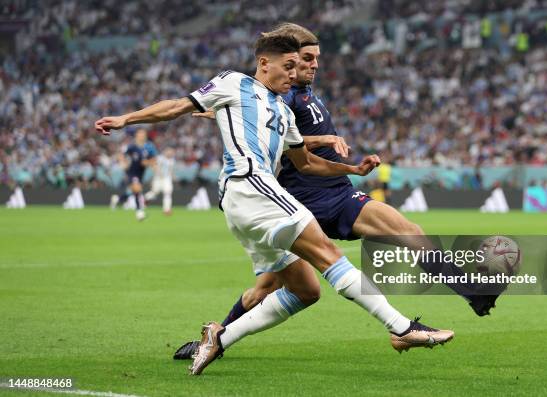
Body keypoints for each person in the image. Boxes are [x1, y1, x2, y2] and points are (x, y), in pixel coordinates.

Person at [95, 34, 454, 377]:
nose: (294, 74)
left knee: (306, 290)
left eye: (299, 66)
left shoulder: (283, 112)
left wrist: (352, 170)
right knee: (327, 252)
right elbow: (176, 106)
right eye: (289, 65)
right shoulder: (233, 83)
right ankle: (402, 327)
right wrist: (127, 119)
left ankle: (219, 338)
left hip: (245, 204)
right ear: (264, 63)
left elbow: (306, 163)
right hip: (249, 183)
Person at [174, 23, 497, 362]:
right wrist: (321, 140)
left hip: (338, 194)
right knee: (267, 288)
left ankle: (472, 291)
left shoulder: (305, 93)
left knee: (408, 231)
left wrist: (352, 168)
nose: (314, 65)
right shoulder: (277, 96)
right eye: (307, 59)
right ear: (290, 61)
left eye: (316, 59)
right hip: (301, 201)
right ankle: (213, 341)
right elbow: (279, 139)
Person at [110, 128, 156, 221]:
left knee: (133, 192)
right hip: (131, 172)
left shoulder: (149, 147)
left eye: (143, 134)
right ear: (137, 135)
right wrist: (123, 162)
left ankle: (117, 199)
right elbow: (121, 155)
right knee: (137, 189)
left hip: (141, 174)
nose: (142, 135)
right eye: (140, 134)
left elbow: (152, 160)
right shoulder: (132, 147)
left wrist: (150, 164)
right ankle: (139, 212)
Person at [144, 147, 175, 215]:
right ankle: (145, 199)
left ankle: (167, 209)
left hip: (167, 178)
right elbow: (153, 165)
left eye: (172, 152)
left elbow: (170, 169)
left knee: (168, 192)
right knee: (155, 192)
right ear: (166, 151)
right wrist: (157, 172)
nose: (170, 153)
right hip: (158, 178)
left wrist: (173, 176)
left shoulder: (172, 160)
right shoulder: (160, 158)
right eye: (169, 151)